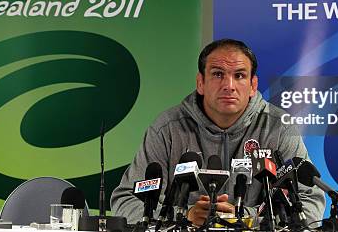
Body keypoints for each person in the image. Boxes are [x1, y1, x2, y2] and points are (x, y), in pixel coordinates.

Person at [110, 39, 325, 225]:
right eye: (218, 74)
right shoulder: (168, 129)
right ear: (200, 83)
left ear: (253, 85)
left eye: (239, 75)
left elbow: (310, 201)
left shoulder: (278, 128)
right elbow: (126, 199)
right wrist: (182, 216)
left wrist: (245, 218)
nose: (229, 85)